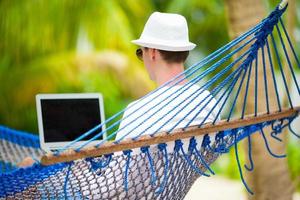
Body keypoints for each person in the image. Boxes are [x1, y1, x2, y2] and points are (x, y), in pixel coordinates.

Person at [115, 12, 219, 153]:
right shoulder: (208, 103)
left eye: (141, 53)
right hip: (190, 174)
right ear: (185, 52)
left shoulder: (137, 113)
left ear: (152, 53)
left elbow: (119, 170)